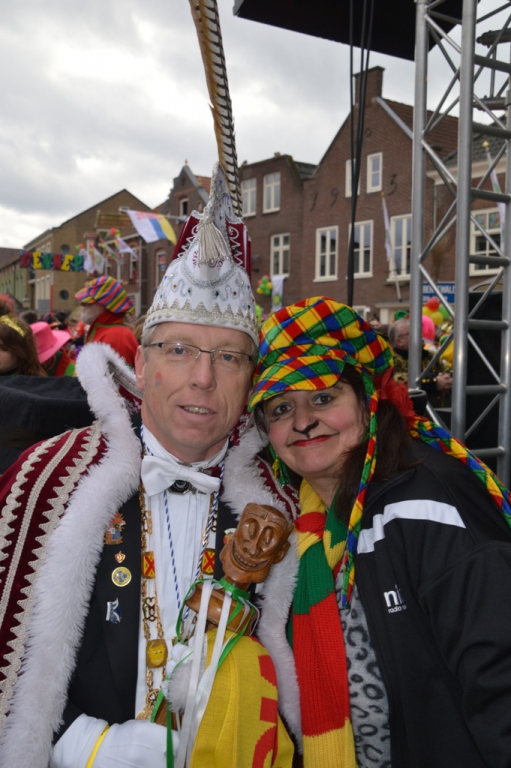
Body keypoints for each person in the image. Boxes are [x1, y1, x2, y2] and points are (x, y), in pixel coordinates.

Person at [0, 164, 292, 768]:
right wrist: (82, 746)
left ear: (251, 378)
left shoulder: (286, 497)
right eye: (179, 350)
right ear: (142, 361)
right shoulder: (48, 480)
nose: (202, 378)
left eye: (228, 357)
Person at [247, 296, 511, 768]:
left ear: (369, 400)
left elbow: (500, 685)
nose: (303, 422)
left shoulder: (431, 506)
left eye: (323, 398)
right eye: (281, 407)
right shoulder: (301, 524)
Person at [75, 275, 139, 367]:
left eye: (88, 301)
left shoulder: (116, 338)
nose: (82, 304)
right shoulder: (106, 332)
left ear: (105, 306)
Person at [389, 317, 452, 401]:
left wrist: (446, 380)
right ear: (400, 341)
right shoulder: (390, 359)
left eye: (420, 331)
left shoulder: (430, 355)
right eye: (413, 333)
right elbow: (398, 381)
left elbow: (449, 371)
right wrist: (434, 381)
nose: (421, 335)